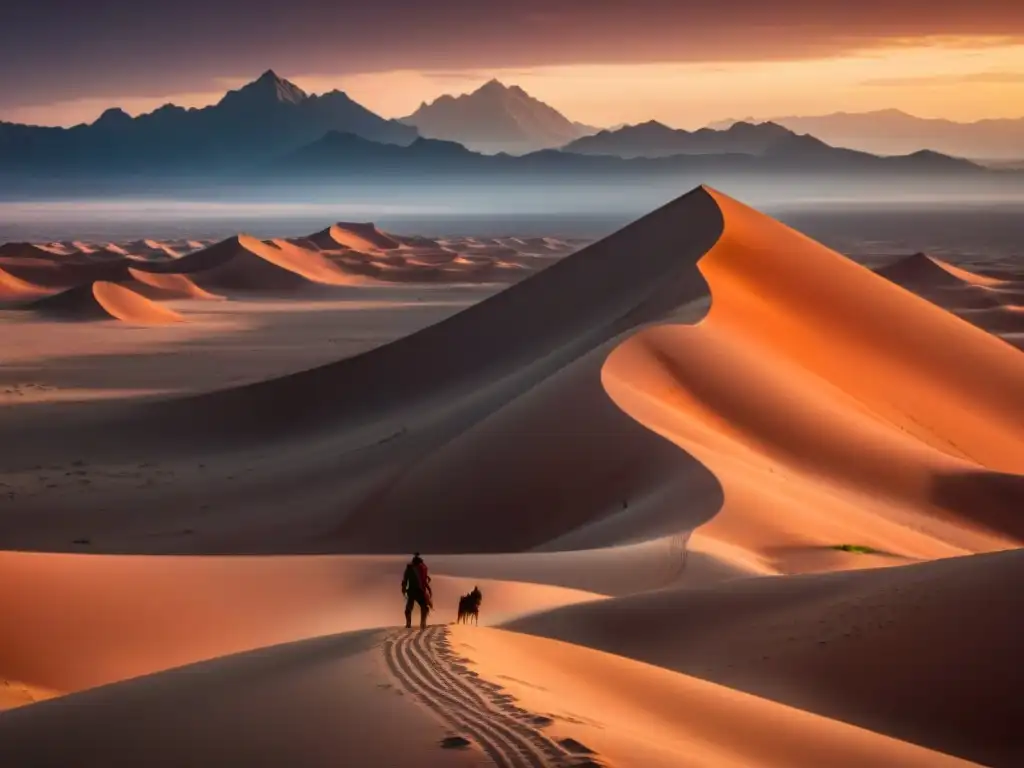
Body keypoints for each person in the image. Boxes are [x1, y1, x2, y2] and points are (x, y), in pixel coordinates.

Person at [401, 552, 432, 629]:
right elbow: (405, 580)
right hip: (418, 591)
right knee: (423, 606)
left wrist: (404, 588)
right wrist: (404, 588)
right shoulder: (419, 568)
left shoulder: (412, 568)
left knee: (412, 607)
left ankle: (417, 623)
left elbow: (405, 580)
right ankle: (421, 623)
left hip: (414, 591)